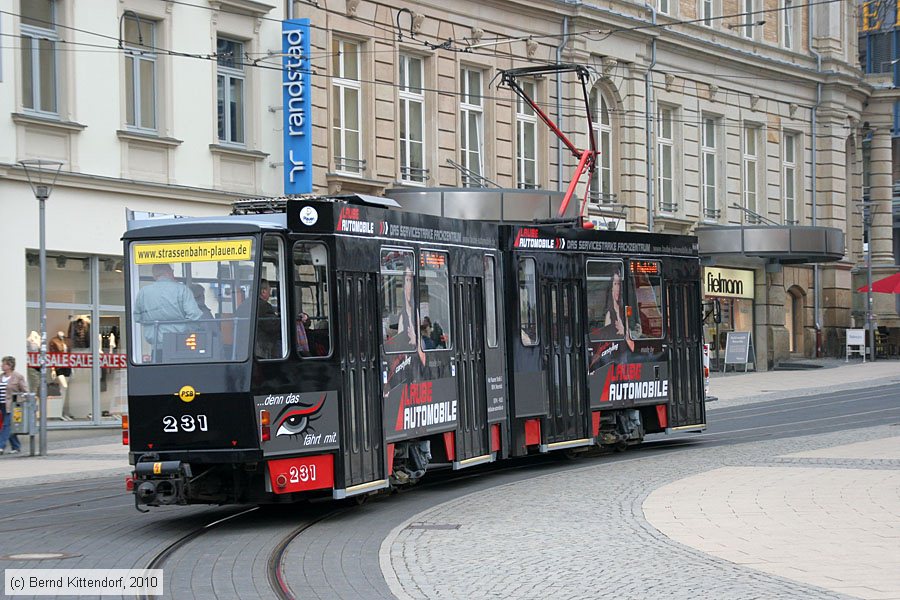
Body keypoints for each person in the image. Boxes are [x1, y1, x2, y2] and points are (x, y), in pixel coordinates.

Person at [133, 264, 202, 347]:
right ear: (171, 272)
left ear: (154, 275)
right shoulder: (182, 289)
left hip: (155, 343)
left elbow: (137, 317)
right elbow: (194, 315)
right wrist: (189, 330)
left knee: (156, 359)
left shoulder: (143, 292)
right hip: (180, 342)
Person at [0, 356, 28, 455]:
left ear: (10, 365)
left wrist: (21, 402)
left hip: (12, 405)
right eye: (2, 363)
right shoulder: (1, 376)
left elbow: (25, 391)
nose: (2, 366)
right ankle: (16, 446)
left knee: (6, 425)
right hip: (2, 404)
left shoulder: (17, 377)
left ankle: (1, 446)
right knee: (8, 426)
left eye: (4, 364)